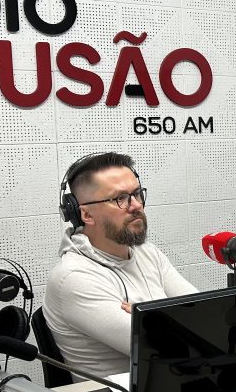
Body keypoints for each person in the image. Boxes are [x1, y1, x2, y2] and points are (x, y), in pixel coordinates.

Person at [44, 152, 197, 377]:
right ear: (85, 214)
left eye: (137, 194)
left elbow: (204, 317)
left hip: (175, 383)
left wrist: (149, 316)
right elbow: (171, 349)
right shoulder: (73, 277)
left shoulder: (147, 253)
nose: (136, 205)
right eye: (120, 198)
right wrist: (169, 316)